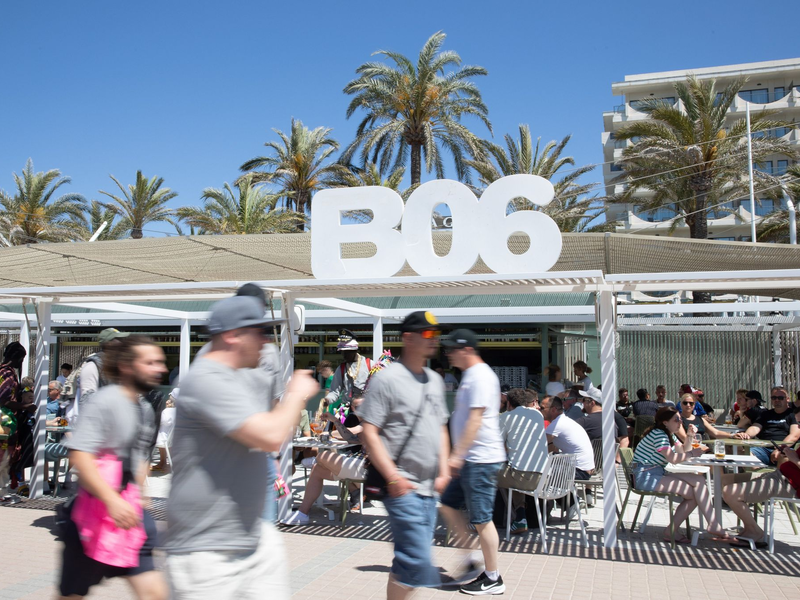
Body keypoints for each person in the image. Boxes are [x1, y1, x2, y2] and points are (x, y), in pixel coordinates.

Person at [164, 296, 319, 600]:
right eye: (258, 332)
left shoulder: (232, 378)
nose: (265, 341)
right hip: (206, 552)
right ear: (232, 335)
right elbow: (272, 435)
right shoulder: (206, 379)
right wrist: (296, 394)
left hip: (251, 539)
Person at [59, 336, 169, 599]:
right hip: (93, 517)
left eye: (161, 362)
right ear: (127, 367)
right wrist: (111, 500)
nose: (161, 369)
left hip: (130, 515)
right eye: (150, 362)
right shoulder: (104, 401)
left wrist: (140, 496)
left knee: (154, 593)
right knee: (72, 594)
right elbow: (79, 454)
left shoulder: (143, 407)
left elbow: (139, 456)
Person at [358, 310, 450, 600]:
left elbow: (442, 427)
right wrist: (393, 477)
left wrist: (445, 470)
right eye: (427, 334)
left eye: (436, 334)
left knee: (405, 564)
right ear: (407, 338)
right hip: (402, 487)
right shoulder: (387, 380)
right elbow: (369, 431)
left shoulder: (435, 380)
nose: (434, 340)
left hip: (429, 488)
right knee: (417, 563)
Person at [439, 328, 507, 596]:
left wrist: (456, 455)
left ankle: (493, 578)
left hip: (480, 459)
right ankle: (471, 560)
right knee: (447, 503)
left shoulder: (479, 376)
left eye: (452, 349)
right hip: (471, 458)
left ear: (466, 349)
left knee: (482, 519)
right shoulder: (472, 375)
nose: (448, 354)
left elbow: (475, 420)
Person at [631, 406, 732, 544]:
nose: (680, 422)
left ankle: (712, 524)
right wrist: (691, 453)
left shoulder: (668, 434)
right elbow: (673, 457)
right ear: (665, 422)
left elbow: (683, 449)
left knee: (698, 480)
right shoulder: (659, 434)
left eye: (680, 419)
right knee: (694, 494)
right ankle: (673, 530)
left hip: (655, 472)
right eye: (676, 419)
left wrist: (689, 436)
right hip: (645, 476)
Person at [282, 393, 367, 524]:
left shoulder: (372, 422)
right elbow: (350, 437)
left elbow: (354, 432)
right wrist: (335, 421)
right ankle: (303, 514)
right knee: (317, 470)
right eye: (356, 407)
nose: (359, 409)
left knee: (323, 456)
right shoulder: (364, 422)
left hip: (365, 466)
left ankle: (318, 460)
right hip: (356, 463)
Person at [721, 443, 800, 548]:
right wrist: (788, 453)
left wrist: (794, 459)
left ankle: (754, 531)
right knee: (724, 479)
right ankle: (748, 526)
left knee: (731, 491)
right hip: (779, 474)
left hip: (789, 485)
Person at [497, 388, 548, 535]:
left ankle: (480, 520)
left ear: (508, 404)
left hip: (522, 478)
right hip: (542, 478)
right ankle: (520, 517)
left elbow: (497, 446)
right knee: (516, 468)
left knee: (483, 473)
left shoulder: (505, 417)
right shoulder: (537, 414)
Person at [540, 396, 594, 520]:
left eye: (542, 407)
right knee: (547, 471)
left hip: (579, 470)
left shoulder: (558, 424)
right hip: (582, 467)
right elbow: (550, 447)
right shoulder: (563, 421)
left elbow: (540, 445)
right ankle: (570, 502)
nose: (539, 409)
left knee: (542, 475)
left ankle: (571, 503)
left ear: (553, 409)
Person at [734, 386, 799, 466]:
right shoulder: (766, 414)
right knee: (744, 453)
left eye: (780, 398)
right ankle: (758, 475)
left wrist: (780, 448)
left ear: (787, 399)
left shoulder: (793, 414)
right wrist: (747, 435)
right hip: (763, 449)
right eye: (774, 398)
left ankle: (778, 477)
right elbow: (755, 427)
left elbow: (794, 435)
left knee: (785, 457)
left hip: (784, 448)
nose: (777, 400)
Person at [150, 388, 178, 472]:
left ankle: (163, 463)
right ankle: (163, 463)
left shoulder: (167, 411)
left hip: (163, 436)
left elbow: (162, 421)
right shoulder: (177, 411)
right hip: (170, 436)